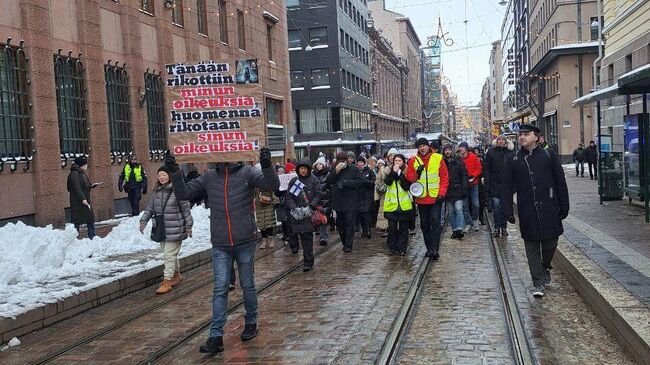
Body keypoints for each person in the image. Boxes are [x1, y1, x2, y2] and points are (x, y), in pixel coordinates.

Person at [165, 148, 280, 354]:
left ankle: (251, 322)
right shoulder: (209, 177)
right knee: (220, 288)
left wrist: (266, 165)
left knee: (247, 284)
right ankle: (216, 335)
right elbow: (184, 193)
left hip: (245, 240)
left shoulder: (247, 173)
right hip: (221, 243)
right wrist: (175, 171)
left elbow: (273, 185)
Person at [503, 124, 569, 298]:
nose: (522, 137)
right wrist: (507, 209)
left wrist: (564, 205)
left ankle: (545, 265)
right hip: (527, 209)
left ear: (536, 137)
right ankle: (538, 281)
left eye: (526, 134)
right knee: (531, 247)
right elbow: (507, 186)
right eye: (520, 134)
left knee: (550, 244)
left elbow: (560, 181)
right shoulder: (514, 159)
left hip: (549, 207)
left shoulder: (549, 155)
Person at [139, 165, 193, 294]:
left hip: (176, 228)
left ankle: (167, 280)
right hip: (162, 228)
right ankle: (176, 275)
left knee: (169, 255)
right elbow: (150, 207)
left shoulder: (178, 190)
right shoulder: (156, 191)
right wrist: (143, 221)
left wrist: (189, 226)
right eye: (159, 175)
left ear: (169, 176)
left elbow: (186, 209)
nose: (161, 177)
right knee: (169, 254)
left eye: (164, 174)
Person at [405, 138, 449, 259]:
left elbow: (444, 177)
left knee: (435, 222)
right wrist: (417, 173)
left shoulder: (438, 158)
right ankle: (429, 247)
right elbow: (410, 179)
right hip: (422, 198)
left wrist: (441, 194)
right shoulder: (413, 160)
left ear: (428, 146)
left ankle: (435, 248)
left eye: (424, 146)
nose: (422, 148)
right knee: (424, 225)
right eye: (420, 146)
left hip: (435, 198)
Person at [286, 159, 322, 271]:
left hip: (309, 213)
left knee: (307, 237)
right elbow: (289, 196)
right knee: (297, 236)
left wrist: (311, 206)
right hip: (297, 213)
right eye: (301, 169)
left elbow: (318, 194)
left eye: (305, 169)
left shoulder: (314, 180)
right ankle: (300, 253)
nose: (303, 171)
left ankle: (308, 261)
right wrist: (293, 208)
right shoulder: (294, 181)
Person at [326, 151, 364, 252]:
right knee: (340, 225)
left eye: (344, 160)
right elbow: (328, 181)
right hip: (338, 202)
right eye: (340, 160)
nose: (342, 162)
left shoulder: (353, 169)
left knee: (349, 223)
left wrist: (347, 183)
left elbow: (360, 182)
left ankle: (348, 245)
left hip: (350, 201)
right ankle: (344, 242)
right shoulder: (335, 169)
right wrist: (335, 172)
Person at [484, 135, 516, 238]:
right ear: (496, 142)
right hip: (495, 184)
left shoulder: (511, 153)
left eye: (503, 140)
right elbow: (487, 168)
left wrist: (514, 186)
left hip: (507, 185)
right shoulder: (491, 152)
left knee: (504, 207)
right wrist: (487, 182)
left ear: (506, 142)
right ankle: (497, 228)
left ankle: (504, 227)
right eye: (499, 140)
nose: (501, 141)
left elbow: (515, 170)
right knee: (497, 206)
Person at [383, 154, 414, 255]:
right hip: (391, 206)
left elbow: (406, 187)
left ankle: (402, 249)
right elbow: (387, 182)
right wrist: (394, 172)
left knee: (403, 229)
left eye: (399, 161)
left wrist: (400, 175)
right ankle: (393, 248)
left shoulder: (406, 172)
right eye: (396, 161)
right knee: (392, 229)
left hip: (404, 206)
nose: (397, 163)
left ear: (403, 162)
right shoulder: (388, 171)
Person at [67, 156, 98, 239]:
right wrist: (83, 199)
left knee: (90, 219)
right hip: (78, 202)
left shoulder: (82, 173)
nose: (86, 166)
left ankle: (92, 236)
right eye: (85, 164)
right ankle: (74, 238)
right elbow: (77, 188)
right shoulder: (74, 174)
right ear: (81, 165)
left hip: (84, 200)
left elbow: (84, 185)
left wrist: (91, 186)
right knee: (77, 220)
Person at [442, 145, 468, 239]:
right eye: (446, 150)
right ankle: (454, 229)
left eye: (449, 150)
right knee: (451, 212)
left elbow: (464, 175)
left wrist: (464, 188)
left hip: (458, 189)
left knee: (458, 209)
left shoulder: (459, 161)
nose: (447, 152)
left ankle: (459, 229)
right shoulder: (442, 162)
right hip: (447, 191)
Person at [458, 141, 482, 233]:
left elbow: (479, 168)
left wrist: (473, 175)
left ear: (466, 148)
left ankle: (475, 220)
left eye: (463, 147)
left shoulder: (473, 157)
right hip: (463, 185)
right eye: (460, 147)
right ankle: (468, 223)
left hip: (473, 184)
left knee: (476, 204)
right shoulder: (459, 159)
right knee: (464, 206)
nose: (461, 149)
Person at [376, 149, 397, 237]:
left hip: (397, 196)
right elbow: (378, 181)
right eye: (390, 155)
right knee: (387, 216)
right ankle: (388, 231)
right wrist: (377, 196)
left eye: (394, 155)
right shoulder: (383, 168)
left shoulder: (402, 167)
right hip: (386, 196)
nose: (392, 157)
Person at [356, 156, 376, 239]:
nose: (360, 164)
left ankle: (368, 230)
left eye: (361, 162)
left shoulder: (370, 171)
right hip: (358, 196)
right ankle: (364, 230)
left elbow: (373, 182)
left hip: (367, 196)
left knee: (366, 213)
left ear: (364, 163)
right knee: (360, 214)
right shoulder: (356, 172)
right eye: (359, 162)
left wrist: (366, 181)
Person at [313, 157, 331, 246]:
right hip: (316, 200)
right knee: (317, 218)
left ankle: (323, 237)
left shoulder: (328, 174)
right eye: (317, 164)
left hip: (325, 199)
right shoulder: (313, 175)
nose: (319, 166)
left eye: (320, 164)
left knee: (324, 219)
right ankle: (320, 233)